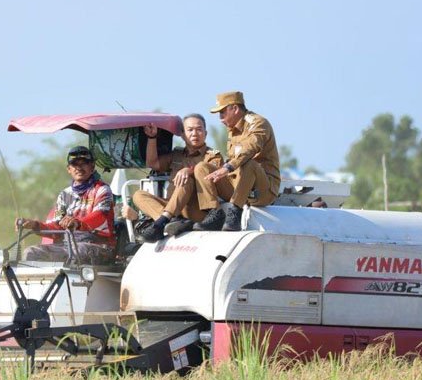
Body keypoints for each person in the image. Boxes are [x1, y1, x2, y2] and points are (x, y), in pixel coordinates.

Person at [121, 114, 223, 242]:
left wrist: (189, 171)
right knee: (138, 195)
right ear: (182, 134)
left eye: (199, 129)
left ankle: (163, 222)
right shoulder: (177, 154)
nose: (195, 133)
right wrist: (152, 138)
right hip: (172, 208)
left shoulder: (213, 156)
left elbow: (214, 176)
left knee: (186, 180)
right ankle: (171, 222)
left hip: (196, 209)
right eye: (190, 130)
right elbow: (153, 163)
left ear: (205, 133)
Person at [193, 91, 281, 232]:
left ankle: (234, 214)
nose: (220, 118)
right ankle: (214, 214)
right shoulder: (232, 129)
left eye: (222, 112)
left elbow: (250, 148)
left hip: (262, 190)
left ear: (234, 109)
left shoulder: (258, 123)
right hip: (238, 187)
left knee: (249, 163)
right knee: (202, 167)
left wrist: (228, 167)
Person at [17, 146, 116, 263]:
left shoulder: (103, 190)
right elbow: (57, 226)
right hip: (68, 246)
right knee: (31, 252)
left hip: (98, 245)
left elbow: (100, 216)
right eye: (75, 164)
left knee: (76, 252)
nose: (79, 168)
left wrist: (78, 223)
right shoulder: (64, 195)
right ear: (69, 169)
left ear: (92, 167)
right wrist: (35, 225)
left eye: (84, 163)